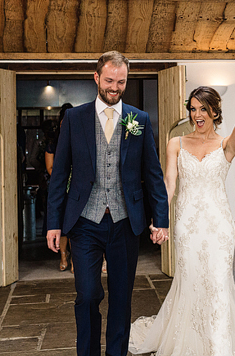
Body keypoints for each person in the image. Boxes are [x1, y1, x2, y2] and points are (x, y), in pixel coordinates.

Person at [129, 82, 235, 356]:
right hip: (188, 225)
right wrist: (160, 220)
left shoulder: (227, 144)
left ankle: (219, 347)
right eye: (193, 109)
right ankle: (190, 341)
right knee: (191, 281)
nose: (197, 115)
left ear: (215, 112)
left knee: (218, 283)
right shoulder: (176, 143)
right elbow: (169, 183)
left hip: (219, 225)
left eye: (203, 109)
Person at [46, 51, 169, 356]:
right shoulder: (74, 119)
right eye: (110, 80)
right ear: (97, 78)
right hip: (85, 221)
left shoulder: (138, 120)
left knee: (121, 297)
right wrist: (54, 223)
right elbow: (59, 173)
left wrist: (162, 219)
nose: (115, 87)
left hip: (125, 221)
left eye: (121, 82)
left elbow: (153, 173)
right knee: (87, 295)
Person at [45, 102, 73, 271]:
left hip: (76, 189)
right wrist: (64, 179)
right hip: (61, 188)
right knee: (61, 224)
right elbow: (50, 169)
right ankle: (63, 255)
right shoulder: (53, 143)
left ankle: (75, 259)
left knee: (74, 226)